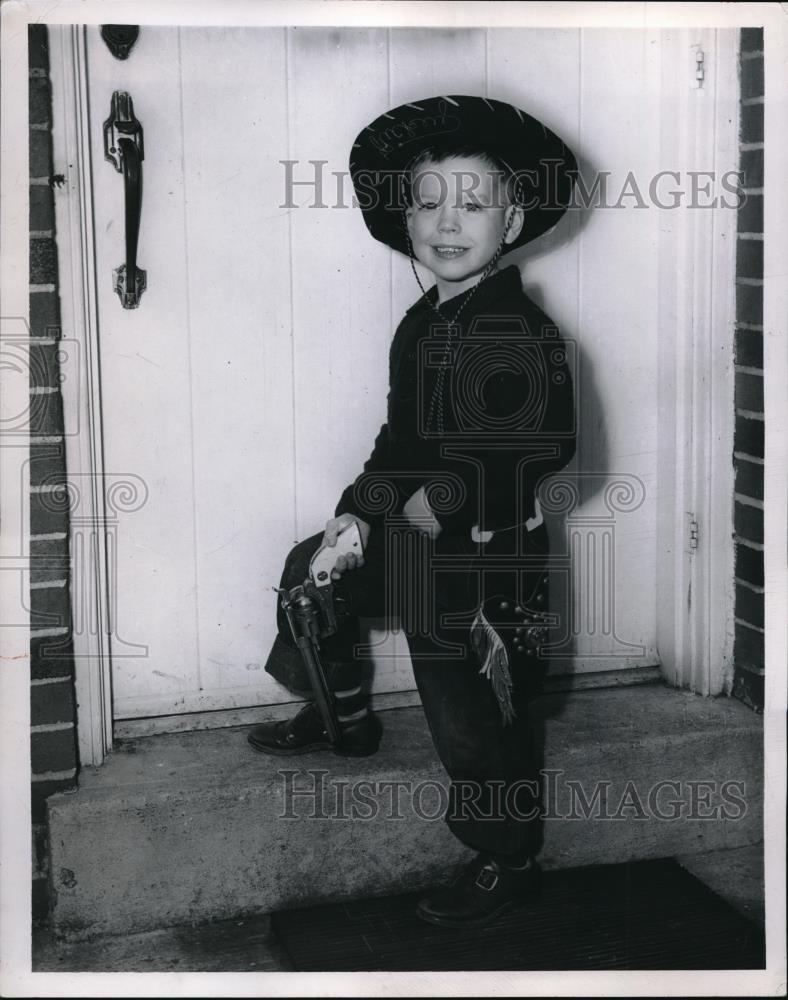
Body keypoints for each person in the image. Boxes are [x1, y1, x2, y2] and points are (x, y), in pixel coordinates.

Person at [248, 95, 577, 928]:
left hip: (484, 560)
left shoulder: (518, 328)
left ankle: (507, 854)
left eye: (473, 202)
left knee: (472, 713)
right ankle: (342, 713)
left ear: (511, 222)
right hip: (419, 536)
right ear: (406, 221)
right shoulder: (419, 324)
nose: (448, 221)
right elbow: (399, 440)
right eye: (429, 202)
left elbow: (546, 446)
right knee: (310, 572)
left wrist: (452, 497)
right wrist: (355, 516)